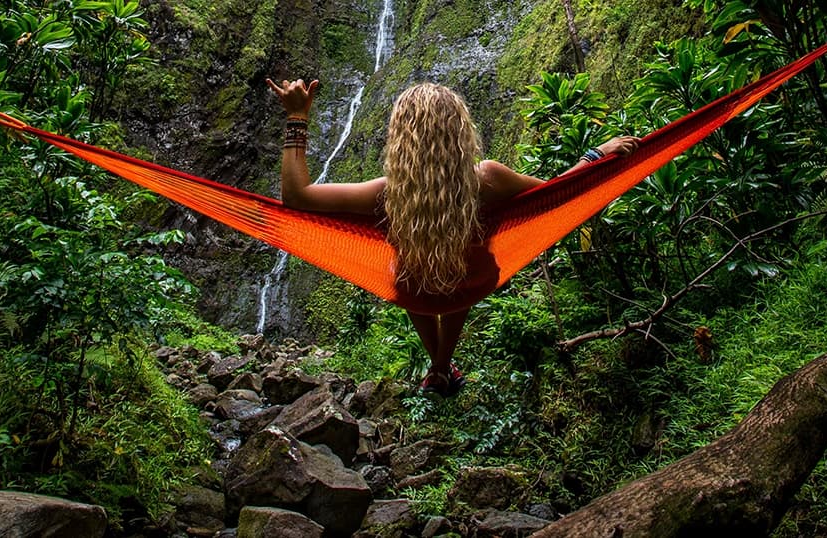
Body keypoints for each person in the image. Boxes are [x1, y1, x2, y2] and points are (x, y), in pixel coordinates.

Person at [266, 77, 639, 398]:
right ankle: (443, 367)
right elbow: (556, 193)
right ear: (460, 131)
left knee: (410, 265)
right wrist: (595, 155)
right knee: (461, 258)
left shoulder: (385, 194)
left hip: (414, 290)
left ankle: (439, 367)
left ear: (400, 140)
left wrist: (297, 117)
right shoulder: (487, 179)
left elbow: (297, 196)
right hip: (472, 282)